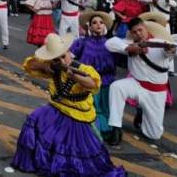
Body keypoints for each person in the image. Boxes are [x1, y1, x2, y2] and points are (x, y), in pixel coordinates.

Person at [11, 33, 125, 177]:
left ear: (70, 54)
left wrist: (74, 76)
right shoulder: (54, 68)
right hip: (56, 109)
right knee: (35, 118)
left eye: (63, 56)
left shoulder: (84, 68)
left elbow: (93, 83)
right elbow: (29, 65)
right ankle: (38, 159)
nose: (62, 60)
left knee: (77, 152)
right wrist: (48, 65)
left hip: (78, 116)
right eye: (57, 58)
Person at [106, 18, 177, 145]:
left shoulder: (159, 42)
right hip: (137, 85)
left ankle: (141, 113)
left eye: (140, 30)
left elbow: (176, 49)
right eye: (134, 32)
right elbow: (109, 43)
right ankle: (116, 128)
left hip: (156, 92)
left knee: (153, 135)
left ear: (146, 29)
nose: (138, 34)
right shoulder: (129, 43)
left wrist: (171, 50)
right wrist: (131, 48)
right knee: (116, 87)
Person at [74, 11, 117, 140]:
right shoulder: (82, 42)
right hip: (89, 82)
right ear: (90, 27)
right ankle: (94, 131)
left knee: (106, 107)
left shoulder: (111, 43)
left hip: (107, 81)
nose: (98, 25)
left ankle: (108, 130)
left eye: (101, 22)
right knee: (93, 107)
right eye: (94, 23)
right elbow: (68, 57)